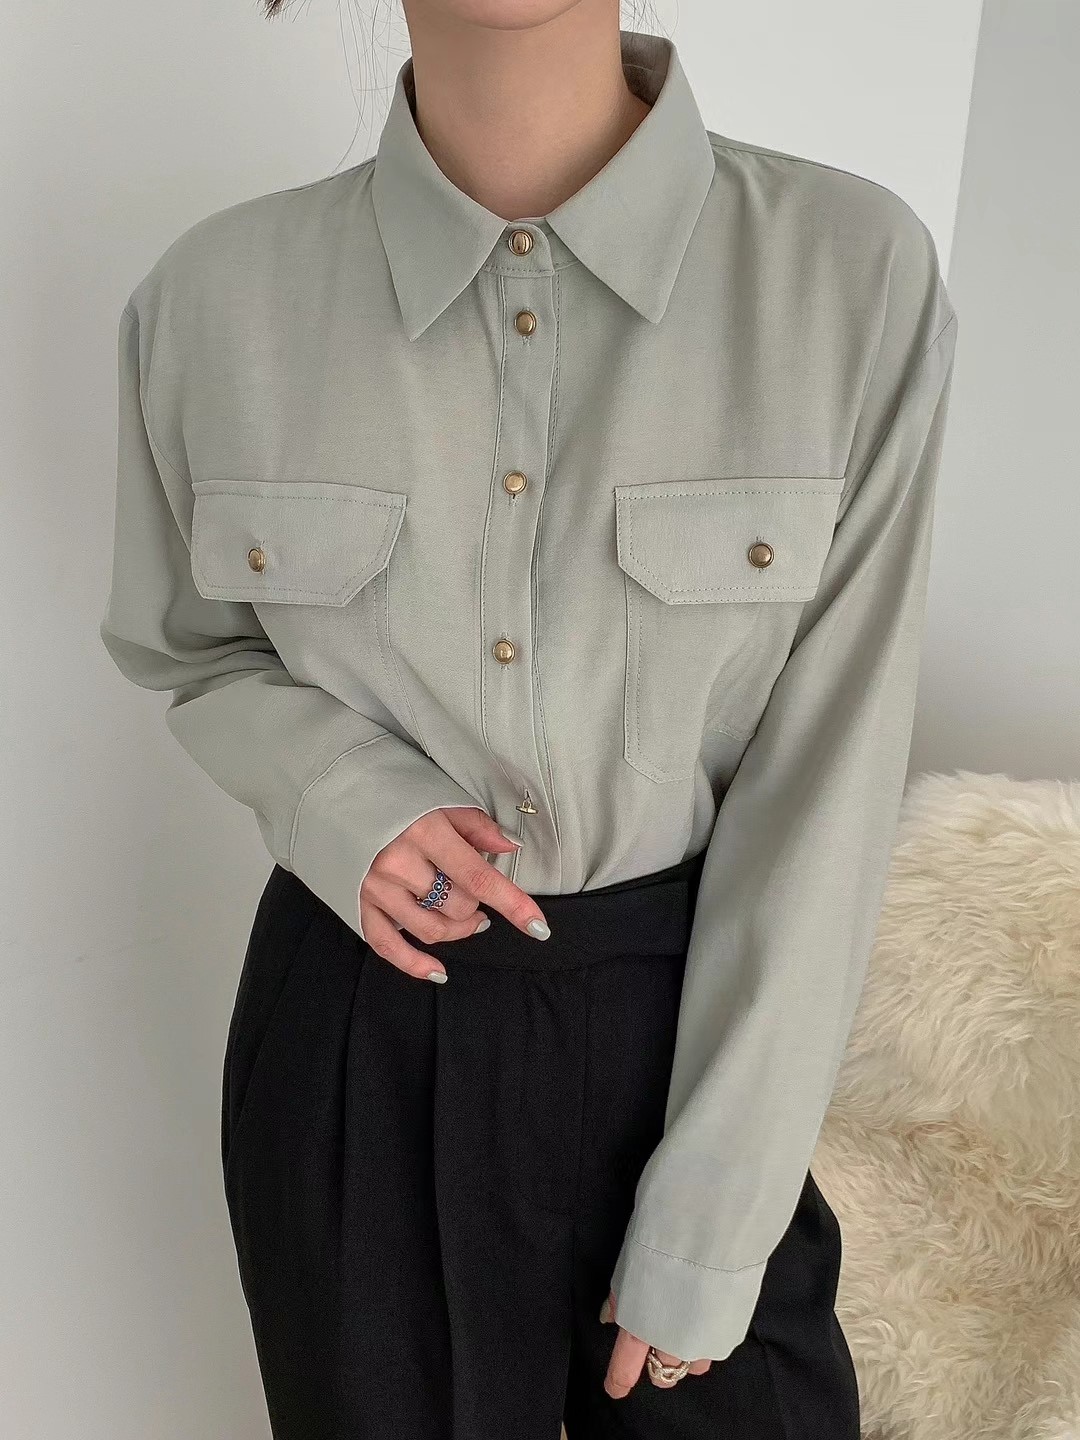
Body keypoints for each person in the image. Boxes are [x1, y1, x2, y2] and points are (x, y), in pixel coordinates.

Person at [98, 1, 958, 1435]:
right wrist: (342, 794)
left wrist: (716, 1216)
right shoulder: (213, 300)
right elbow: (194, 653)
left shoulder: (845, 273)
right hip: (365, 1032)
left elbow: (832, 771)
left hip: (693, 1019)